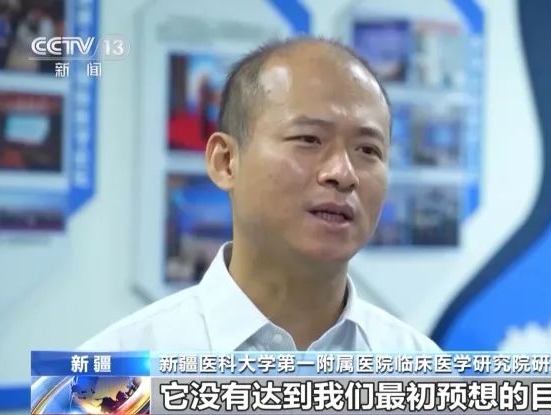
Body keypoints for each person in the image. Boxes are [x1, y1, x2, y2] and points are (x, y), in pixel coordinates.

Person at [80, 37, 440, 352]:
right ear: (225, 161)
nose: (343, 174)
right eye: (309, 140)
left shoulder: (425, 374)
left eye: (368, 150)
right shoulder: (115, 376)